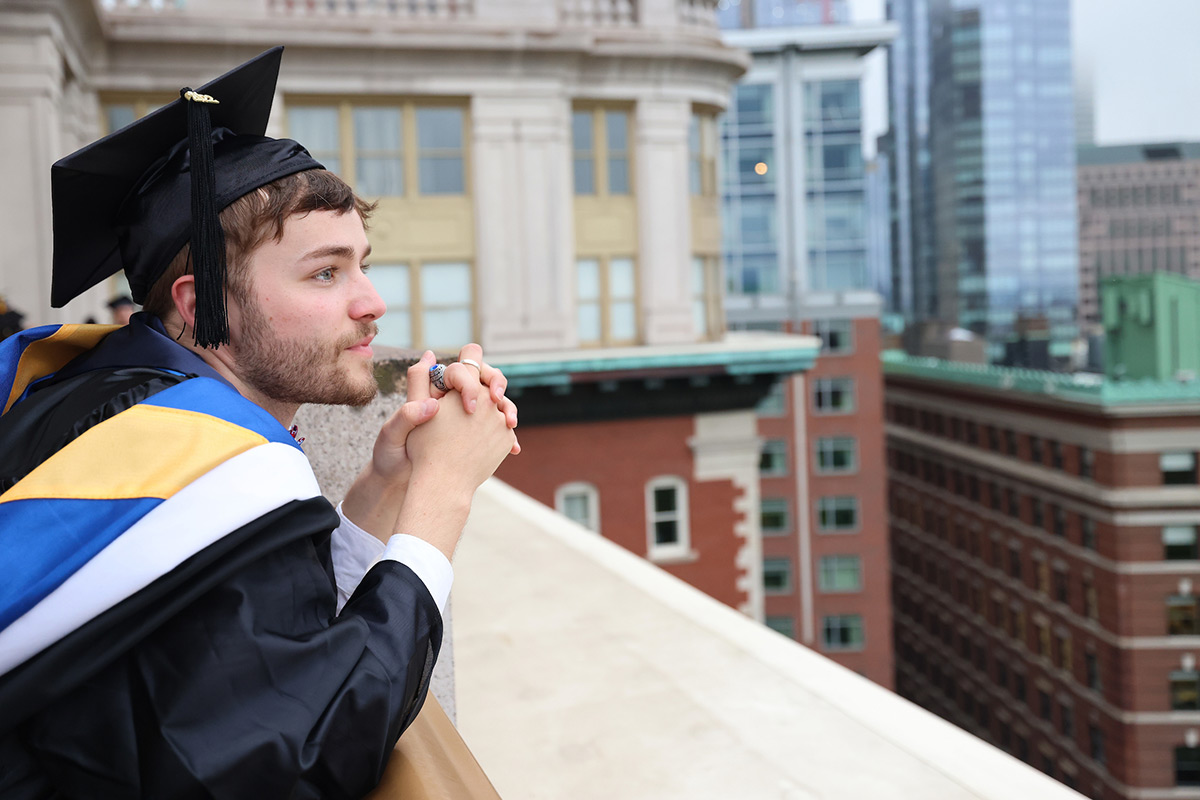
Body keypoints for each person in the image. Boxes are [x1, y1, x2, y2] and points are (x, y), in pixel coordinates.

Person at [0, 47, 517, 798]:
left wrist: (386, 483)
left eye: (362, 264)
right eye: (325, 273)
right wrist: (445, 492)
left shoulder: (105, 397)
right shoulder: (184, 453)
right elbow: (304, 750)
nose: (372, 302)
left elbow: (276, 628)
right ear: (200, 302)